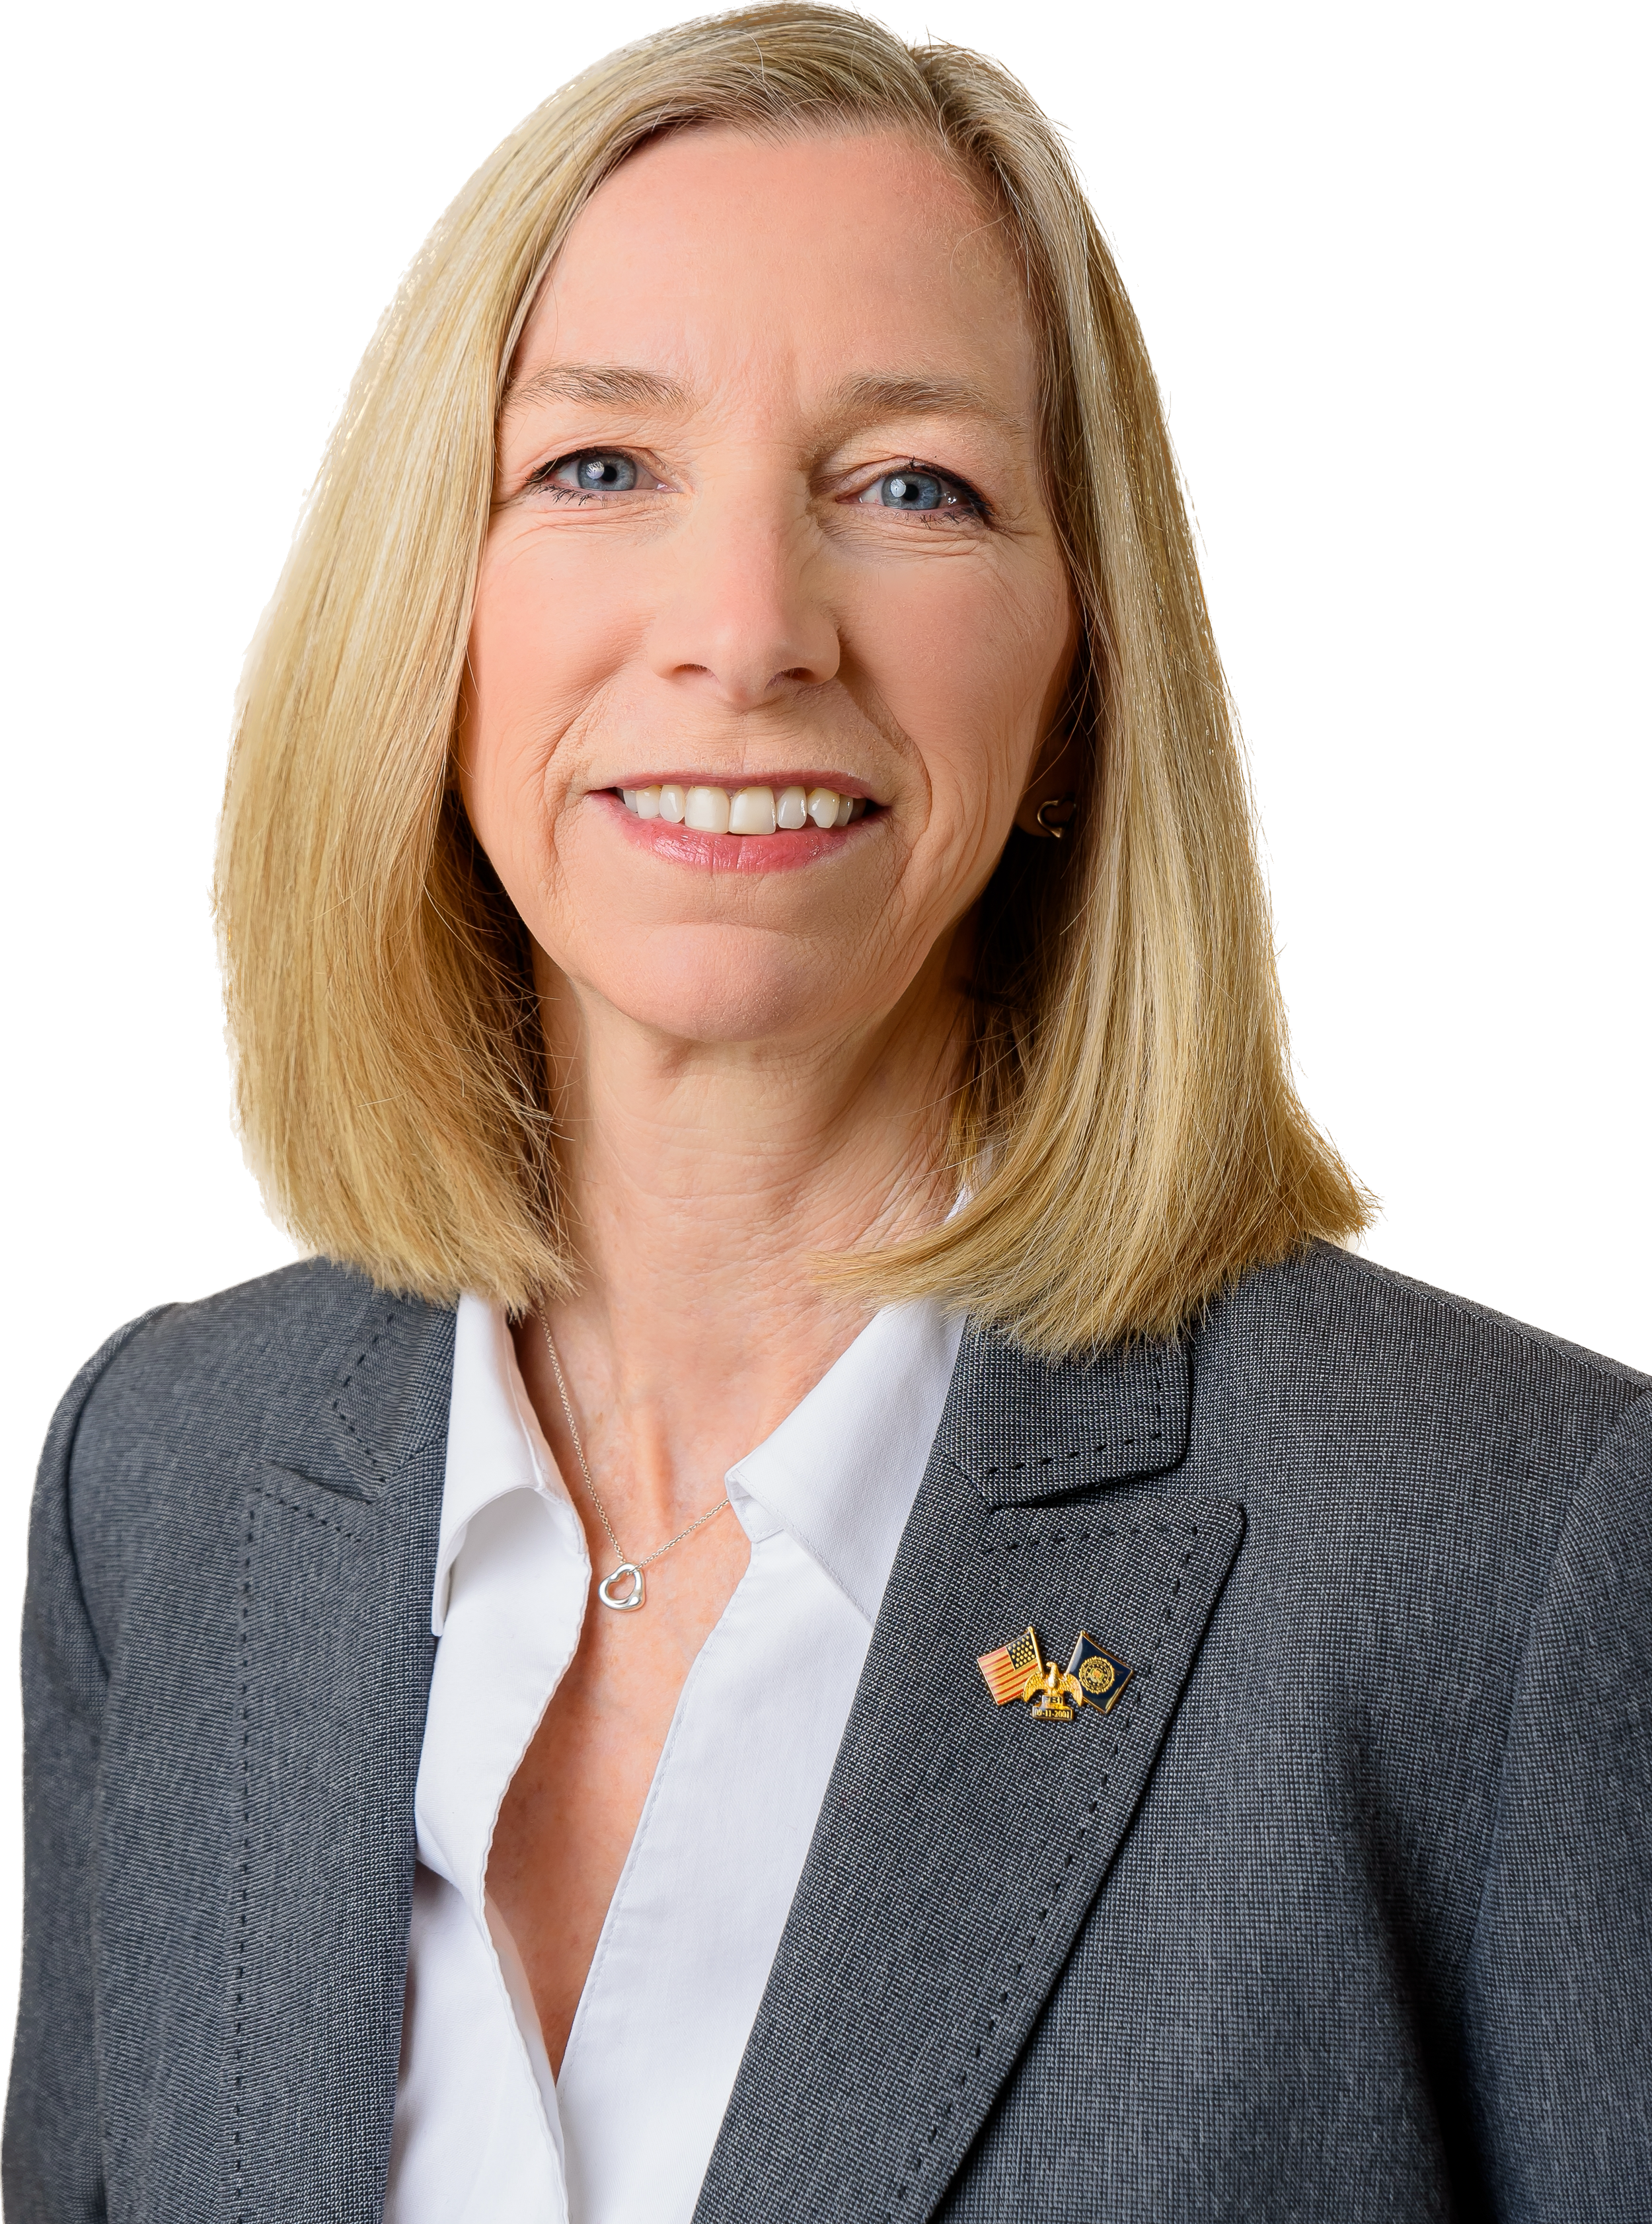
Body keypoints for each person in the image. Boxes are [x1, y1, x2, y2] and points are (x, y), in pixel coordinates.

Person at [7, 7, 1647, 2219]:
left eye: (910, 487)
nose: (747, 628)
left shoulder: (1508, 1537)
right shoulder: (169, 1473)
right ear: (427, 612)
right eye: (597, 466)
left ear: (1078, 676)